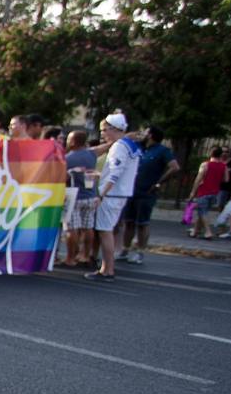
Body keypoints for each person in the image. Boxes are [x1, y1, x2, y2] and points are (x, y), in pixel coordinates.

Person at [89, 112, 140, 280]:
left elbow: (115, 174)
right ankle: (107, 268)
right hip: (119, 194)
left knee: (105, 231)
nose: (102, 134)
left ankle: (107, 269)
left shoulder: (119, 146)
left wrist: (101, 194)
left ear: (113, 129)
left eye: (104, 130)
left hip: (112, 195)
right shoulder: (130, 145)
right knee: (106, 230)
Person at [119, 125, 179, 263]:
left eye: (145, 132)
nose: (142, 134)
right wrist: (133, 135)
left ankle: (140, 252)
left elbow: (175, 167)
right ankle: (125, 250)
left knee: (142, 223)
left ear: (151, 135)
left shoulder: (162, 151)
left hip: (147, 192)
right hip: (131, 190)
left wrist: (159, 183)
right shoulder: (138, 147)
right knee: (129, 222)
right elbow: (123, 140)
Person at [62, 127, 99, 267]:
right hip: (90, 196)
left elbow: (63, 177)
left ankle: (70, 257)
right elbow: (101, 148)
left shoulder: (67, 159)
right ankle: (85, 255)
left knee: (71, 229)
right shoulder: (91, 155)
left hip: (73, 196)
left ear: (73, 142)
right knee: (88, 227)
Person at [189, 146, 228, 239]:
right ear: (220, 155)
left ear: (211, 153)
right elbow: (226, 179)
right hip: (215, 192)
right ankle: (195, 231)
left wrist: (193, 192)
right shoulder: (223, 166)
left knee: (203, 212)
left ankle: (208, 231)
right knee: (202, 211)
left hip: (203, 191)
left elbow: (198, 179)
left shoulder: (205, 165)